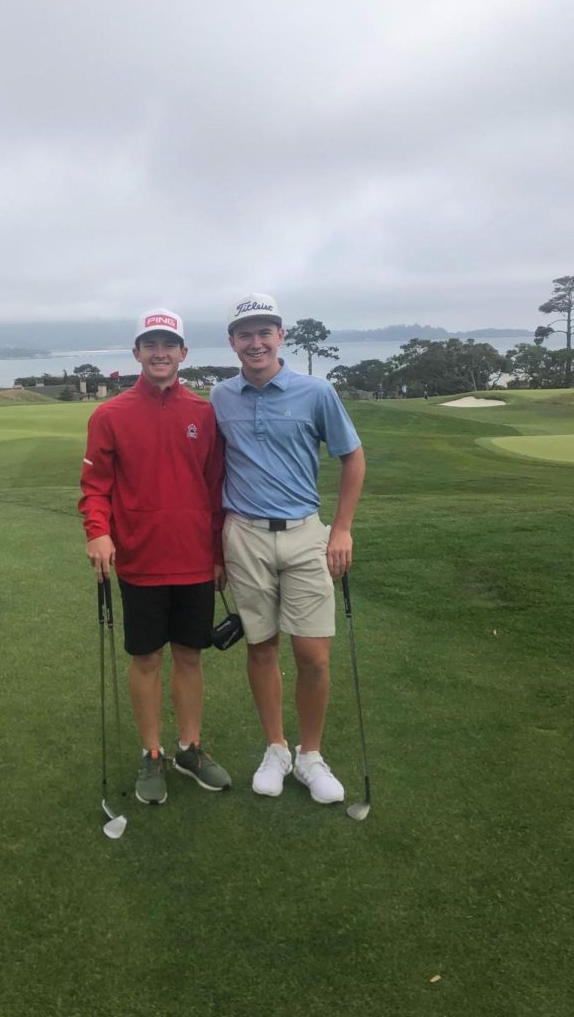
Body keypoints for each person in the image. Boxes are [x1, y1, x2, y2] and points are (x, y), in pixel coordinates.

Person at [210, 293, 366, 804]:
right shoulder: (220, 397)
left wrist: (340, 529)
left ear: (281, 337)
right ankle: (275, 748)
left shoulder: (316, 391)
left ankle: (310, 755)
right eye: (244, 334)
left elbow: (352, 457)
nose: (255, 342)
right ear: (232, 342)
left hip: (304, 533)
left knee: (313, 654)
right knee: (261, 646)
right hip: (245, 534)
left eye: (264, 332)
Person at [79, 308, 231, 806]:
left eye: (169, 344)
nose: (160, 352)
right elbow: (95, 487)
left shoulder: (205, 414)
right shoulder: (110, 415)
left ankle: (190, 748)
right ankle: (152, 753)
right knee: (146, 657)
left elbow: (214, 488)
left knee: (190, 655)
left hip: (193, 559)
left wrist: (217, 553)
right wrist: (98, 533)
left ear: (183, 353)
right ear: (137, 353)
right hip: (141, 560)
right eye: (151, 344)